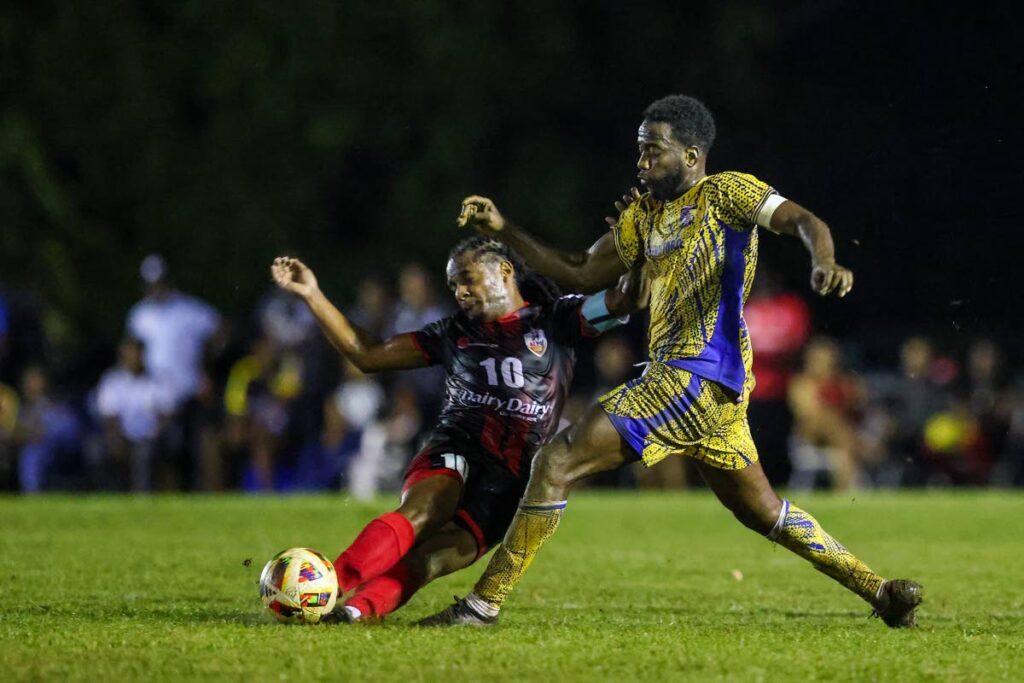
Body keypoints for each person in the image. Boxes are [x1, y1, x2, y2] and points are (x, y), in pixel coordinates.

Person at [421, 94, 922, 629]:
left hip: (693, 375)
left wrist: (824, 260)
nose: (642, 163)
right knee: (763, 511)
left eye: (653, 151)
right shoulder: (645, 216)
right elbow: (581, 270)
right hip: (708, 390)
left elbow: (803, 219)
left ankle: (482, 605)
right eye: (639, 152)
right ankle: (881, 592)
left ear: (691, 154)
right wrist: (504, 229)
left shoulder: (728, 193)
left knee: (557, 461)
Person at [270, 235, 640, 622]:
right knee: (425, 508)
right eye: (453, 285)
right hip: (459, 446)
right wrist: (312, 294)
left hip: (515, 480)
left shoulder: (559, 318)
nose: (460, 292)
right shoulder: (454, 333)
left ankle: (350, 613)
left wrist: (638, 248)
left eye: (467, 279)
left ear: (505, 270)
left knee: (430, 561)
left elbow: (621, 300)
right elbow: (368, 355)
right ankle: (328, 582)